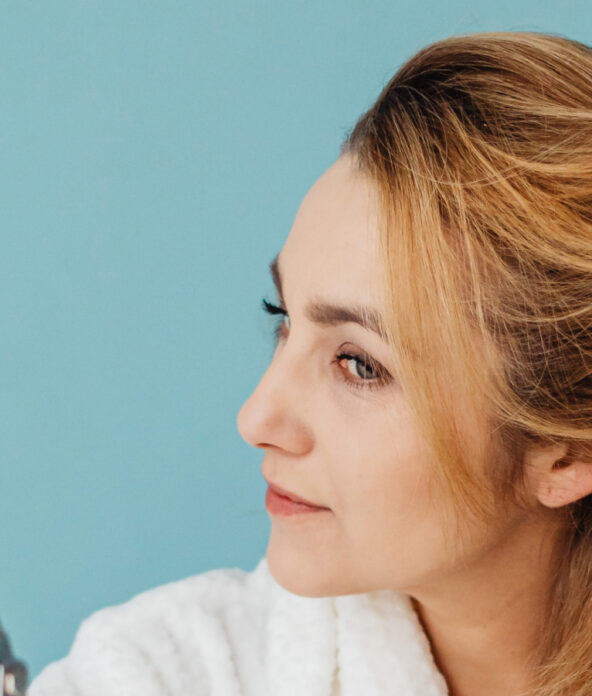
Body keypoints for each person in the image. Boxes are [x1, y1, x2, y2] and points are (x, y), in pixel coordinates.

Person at [29, 31, 592, 696]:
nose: (256, 419)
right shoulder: (163, 672)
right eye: (283, 319)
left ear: (565, 452)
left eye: (359, 364)